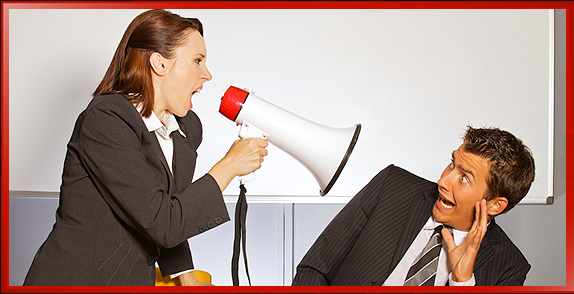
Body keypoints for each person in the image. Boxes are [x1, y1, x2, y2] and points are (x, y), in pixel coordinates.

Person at [23, 9, 268, 286]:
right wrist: (229, 166)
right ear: (159, 64)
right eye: (198, 61)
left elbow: (170, 206)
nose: (207, 75)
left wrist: (185, 277)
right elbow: (162, 221)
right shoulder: (106, 120)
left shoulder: (186, 130)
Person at [292, 126, 534, 286]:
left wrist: (462, 281)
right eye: (452, 164)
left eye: (464, 178)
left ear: (495, 205)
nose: (442, 181)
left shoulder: (510, 267)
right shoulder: (392, 187)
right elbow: (315, 267)